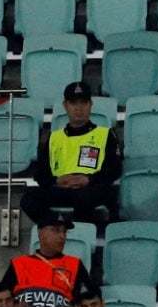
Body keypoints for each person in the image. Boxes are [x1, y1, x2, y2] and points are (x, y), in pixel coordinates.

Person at [22, 81, 120, 230]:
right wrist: (57, 180)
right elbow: (40, 173)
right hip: (61, 187)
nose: (79, 108)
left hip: (91, 187)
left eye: (83, 103)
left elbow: (114, 168)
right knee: (29, 198)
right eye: (74, 103)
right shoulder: (54, 137)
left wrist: (88, 179)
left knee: (87, 197)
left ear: (90, 105)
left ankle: (79, 233)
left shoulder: (105, 134)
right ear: (65, 105)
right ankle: (59, 226)